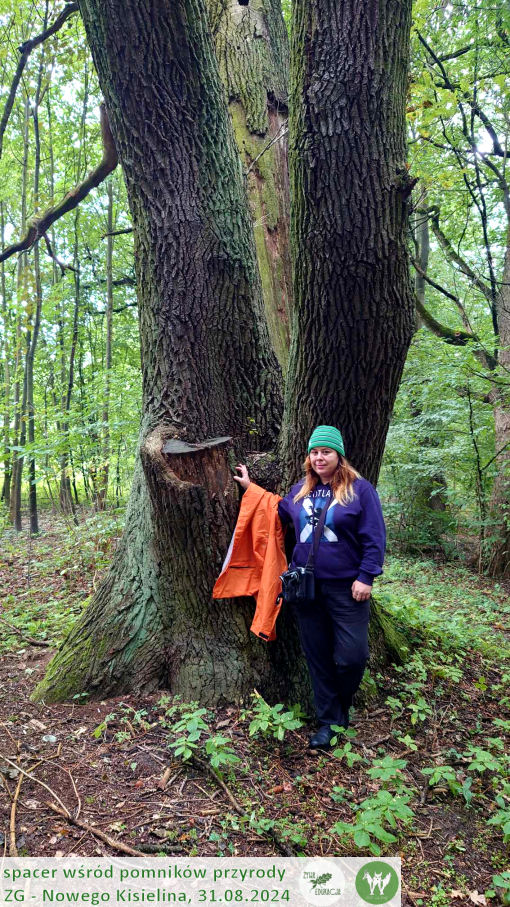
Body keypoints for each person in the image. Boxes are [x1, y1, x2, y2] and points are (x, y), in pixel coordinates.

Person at [233, 425, 386, 749]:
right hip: (306, 587)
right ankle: (330, 721)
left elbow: (374, 537)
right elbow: (274, 510)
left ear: (338, 456)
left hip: (348, 588)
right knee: (316, 657)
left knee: (351, 657)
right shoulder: (300, 491)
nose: (319, 457)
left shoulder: (360, 490)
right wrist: (250, 488)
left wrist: (366, 577)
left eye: (326, 452)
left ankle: (341, 705)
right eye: (314, 452)